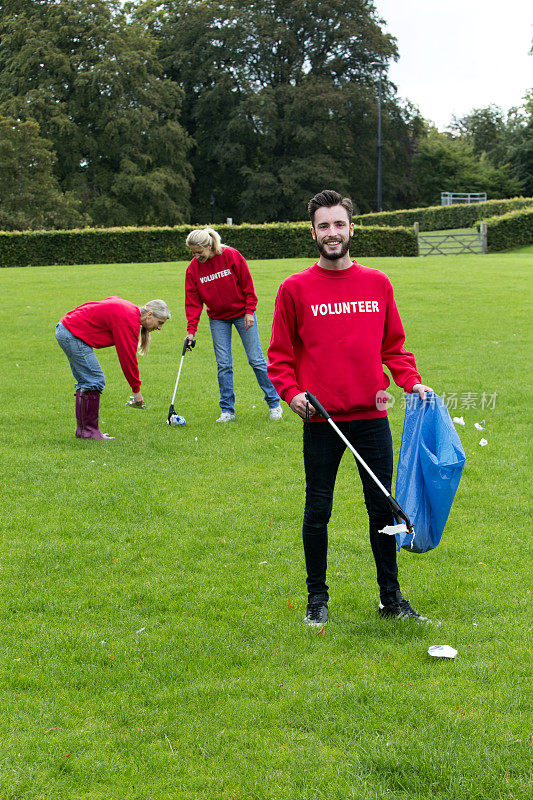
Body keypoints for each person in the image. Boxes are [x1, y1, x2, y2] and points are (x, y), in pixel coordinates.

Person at [267, 189, 433, 626]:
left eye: (339, 224)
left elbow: (394, 348)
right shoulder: (294, 289)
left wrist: (412, 383)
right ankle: (316, 600)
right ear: (313, 233)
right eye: (324, 226)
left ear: (351, 228)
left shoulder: (377, 283)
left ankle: (391, 599)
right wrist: (291, 393)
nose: (332, 232)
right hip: (320, 420)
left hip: (371, 418)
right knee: (318, 508)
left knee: (382, 510)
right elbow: (279, 358)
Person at [184, 226, 282, 422]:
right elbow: (193, 302)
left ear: (210, 245)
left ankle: (274, 404)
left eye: (199, 252)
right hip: (218, 318)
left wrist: (249, 311)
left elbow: (247, 284)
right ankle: (227, 410)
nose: (196, 256)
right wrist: (191, 331)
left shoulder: (231, 255)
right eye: (193, 253)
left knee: (256, 359)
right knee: (223, 364)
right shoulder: (193, 268)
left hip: (242, 314)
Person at [55, 296, 171, 440]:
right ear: (149, 315)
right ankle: (89, 432)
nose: (159, 327)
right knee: (94, 380)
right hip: (72, 334)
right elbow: (127, 359)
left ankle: (84, 431)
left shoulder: (130, 312)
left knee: (88, 381)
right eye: (160, 323)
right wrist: (136, 391)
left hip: (67, 329)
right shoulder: (128, 320)